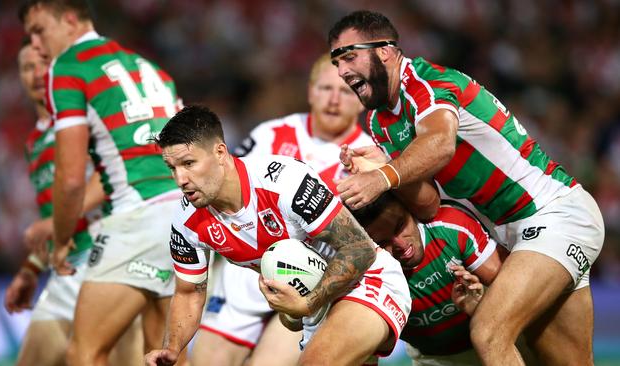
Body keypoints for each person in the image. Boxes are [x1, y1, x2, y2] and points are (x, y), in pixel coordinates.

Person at [328, 10, 605, 365]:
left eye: (349, 56)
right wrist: (384, 166)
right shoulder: (380, 121)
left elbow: (440, 143)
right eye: (337, 62)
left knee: (489, 330)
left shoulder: (429, 84)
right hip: (518, 234)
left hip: (554, 213)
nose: (342, 72)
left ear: (384, 51)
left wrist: (381, 177)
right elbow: (427, 204)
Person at [144, 105, 411, 366]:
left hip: (366, 280)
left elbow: (359, 248)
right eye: (172, 167)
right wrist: (173, 348)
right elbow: (189, 292)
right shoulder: (186, 220)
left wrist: (308, 303)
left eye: (189, 163)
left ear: (220, 152)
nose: (180, 179)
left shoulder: (282, 181)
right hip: (314, 307)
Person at [19, 1, 183, 364]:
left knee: (86, 351)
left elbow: (72, 176)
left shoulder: (69, 66)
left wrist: (61, 238)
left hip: (138, 213)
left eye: (39, 29)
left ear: (70, 19)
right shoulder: (151, 68)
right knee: (162, 354)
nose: (34, 42)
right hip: (183, 212)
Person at [191, 53, 371, 366]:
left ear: (361, 100)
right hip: (247, 275)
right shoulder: (270, 135)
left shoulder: (369, 157)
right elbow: (223, 189)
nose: (333, 99)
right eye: (325, 88)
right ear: (310, 91)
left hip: (311, 279)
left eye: (345, 91)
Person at [3, 37, 143, 366]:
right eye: (27, 67)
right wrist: (30, 269)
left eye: (43, 64)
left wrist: (56, 221)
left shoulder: (83, 123)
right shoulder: (34, 142)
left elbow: (115, 176)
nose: (36, 73)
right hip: (66, 271)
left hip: (107, 260)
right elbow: (54, 216)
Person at [351, 193, 503, 365]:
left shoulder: (451, 225)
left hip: (500, 332)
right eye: (383, 242)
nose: (401, 244)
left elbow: (513, 292)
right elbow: (364, 356)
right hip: (436, 360)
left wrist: (482, 309)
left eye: (400, 226)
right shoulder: (364, 277)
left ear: (411, 210)